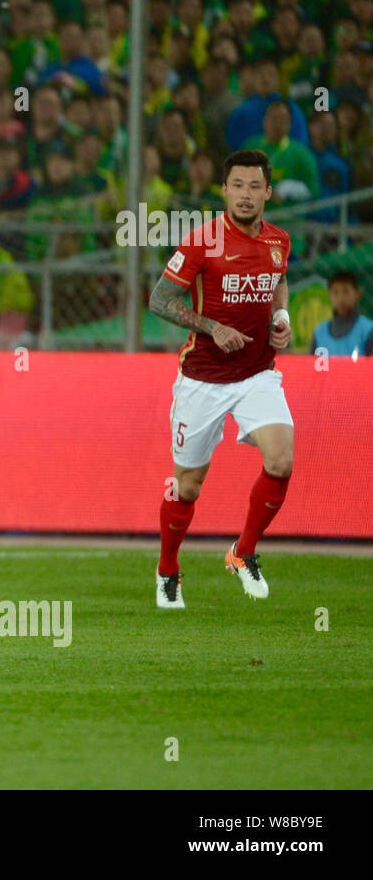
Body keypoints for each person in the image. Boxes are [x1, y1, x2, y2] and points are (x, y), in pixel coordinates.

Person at [148, 150, 294, 609]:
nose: (246, 195)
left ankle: (243, 553)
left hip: (257, 374)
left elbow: (279, 281)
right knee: (186, 487)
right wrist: (212, 326)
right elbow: (159, 300)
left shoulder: (279, 241)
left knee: (281, 461)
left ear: (268, 192)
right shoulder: (202, 241)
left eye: (255, 186)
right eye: (237, 185)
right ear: (224, 190)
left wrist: (282, 317)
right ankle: (168, 569)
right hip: (203, 378)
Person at [311, 271, 373, 357]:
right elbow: (313, 367)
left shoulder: (368, 330)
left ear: (358, 294)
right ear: (329, 295)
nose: (340, 298)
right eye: (335, 292)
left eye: (346, 291)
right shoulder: (319, 333)